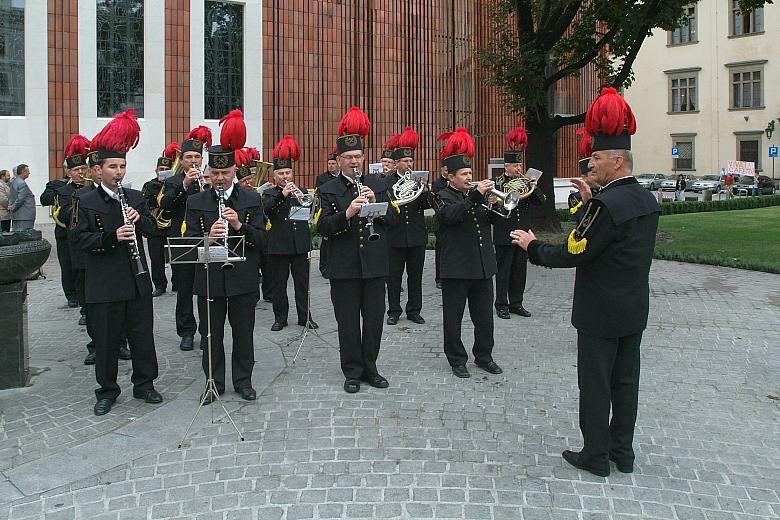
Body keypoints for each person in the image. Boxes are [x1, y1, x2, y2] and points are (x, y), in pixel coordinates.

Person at [511, 88, 660, 477]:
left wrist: (532, 247)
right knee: (626, 383)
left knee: (596, 386)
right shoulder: (645, 200)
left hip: (600, 312)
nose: (590, 161)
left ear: (617, 159)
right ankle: (621, 453)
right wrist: (593, 199)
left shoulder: (606, 206)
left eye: (595, 156)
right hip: (633, 308)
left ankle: (595, 456)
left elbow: (576, 251)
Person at [70, 109, 162, 416]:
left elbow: (154, 229)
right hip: (104, 281)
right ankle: (107, 390)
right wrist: (111, 237)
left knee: (141, 335)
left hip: (136, 279)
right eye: (113, 166)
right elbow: (78, 242)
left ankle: (145, 384)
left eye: (122, 166)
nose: (118, 172)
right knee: (107, 341)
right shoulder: (85, 201)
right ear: (99, 169)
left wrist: (140, 221)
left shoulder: (134, 198)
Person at [184, 110, 264, 403]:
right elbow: (188, 243)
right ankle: (213, 382)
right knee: (210, 336)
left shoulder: (251, 199)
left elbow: (262, 241)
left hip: (242, 279)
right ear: (208, 173)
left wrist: (239, 225)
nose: (220, 179)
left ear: (234, 172)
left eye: (225, 173)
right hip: (210, 280)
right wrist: (209, 238)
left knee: (244, 334)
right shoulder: (196, 201)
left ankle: (243, 381)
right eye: (215, 174)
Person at [317, 107, 392, 394]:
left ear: (364, 158)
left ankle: (371, 368)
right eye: (347, 158)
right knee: (347, 322)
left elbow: (393, 221)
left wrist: (377, 206)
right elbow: (323, 227)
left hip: (374, 264)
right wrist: (347, 213)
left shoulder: (378, 184)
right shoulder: (328, 188)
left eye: (357, 157)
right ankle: (352, 370)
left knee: (373, 320)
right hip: (344, 266)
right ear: (338, 160)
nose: (353, 162)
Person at [434, 128, 502, 380]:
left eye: (470, 173)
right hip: (457, 267)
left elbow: (491, 221)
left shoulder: (479, 197)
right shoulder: (441, 195)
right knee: (453, 318)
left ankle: (484, 356)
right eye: (464, 174)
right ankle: (457, 359)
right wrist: (475, 196)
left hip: (483, 266)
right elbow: (449, 217)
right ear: (450, 176)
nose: (469, 177)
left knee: (484, 318)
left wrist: (495, 205)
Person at [159, 125, 212, 351]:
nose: (193, 161)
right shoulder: (172, 182)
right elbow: (166, 206)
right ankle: (186, 332)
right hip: (182, 240)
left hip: (205, 239)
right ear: (181, 160)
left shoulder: (209, 179)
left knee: (206, 288)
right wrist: (184, 185)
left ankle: (207, 331)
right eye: (189, 157)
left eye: (197, 157)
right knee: (184, 289)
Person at [263, 136, 318, 331]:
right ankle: (280, 318)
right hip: (279, 245)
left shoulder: (300, 191)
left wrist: (303, 197)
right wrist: (283, 194)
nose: (285, 176)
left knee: (303, 284)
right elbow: (267, 210)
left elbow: (310, 210)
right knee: (279, 285)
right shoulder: (269, 194)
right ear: (274, 176)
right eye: (281, 173)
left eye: (288, 172)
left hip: (299, 244)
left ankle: (305, 317)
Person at [491, 124, 544, 320]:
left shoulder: (526, 183)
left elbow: (539, 202)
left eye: (520, 166)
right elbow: (495, 206)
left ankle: (516, 303)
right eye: (515, 166)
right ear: (506, 167)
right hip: (504, 232)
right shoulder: (497, 183)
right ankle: (501, 304)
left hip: (522, 232)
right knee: (503, 270)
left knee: (520, 270)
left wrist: (534, 186)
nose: (519, 169)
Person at [385, 126, 430, 325]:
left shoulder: (417, 183)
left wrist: (426, 191)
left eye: (411, 160)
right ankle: (393, 311)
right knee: (393, 278)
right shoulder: (386, 183)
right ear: (396, 163)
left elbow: (427, 205)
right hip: (394, 237)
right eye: (405, 161)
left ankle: (414, 310)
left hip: (416, 235)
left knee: (415, 277)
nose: (409, 164)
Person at [42, 135, 91, 308]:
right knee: (68, 264)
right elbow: (44, 199)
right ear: (68, 172)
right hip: (64, 232)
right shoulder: (58, 185)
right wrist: (61, 191)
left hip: (84, 232)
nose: (81, 173)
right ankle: (71, 295)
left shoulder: (89, 187)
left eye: (83, 169)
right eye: (76, 170)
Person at [142, 143, 179, 297]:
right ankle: (159, 285)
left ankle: (177, 283)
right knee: (156, 259)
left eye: (166, 170)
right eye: (160, 170)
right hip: (156, 228)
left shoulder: (175, 185)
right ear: (156, 171)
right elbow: (146, 204)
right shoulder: (149, 185)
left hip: (172, 227)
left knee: (177, 257)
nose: (163, 172)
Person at [315, 152, 339, 277]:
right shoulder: (322, 178)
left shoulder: (340, 178)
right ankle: (323, 266)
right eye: (329, 164)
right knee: (325, 239)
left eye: (333, 163)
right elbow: (318, 195)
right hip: (326, 209)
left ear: (338, 164)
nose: (330, 166)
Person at [430, 164, 448, 290]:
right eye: (446, 170)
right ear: (441, 169)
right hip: (440, 222)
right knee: (440, 251)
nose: (447, 173)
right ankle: (439, 278)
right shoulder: (437, 184)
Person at [9, 164, 36, 231]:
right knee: (24, 235)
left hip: (19, 215)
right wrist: (12, 207)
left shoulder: (15, 181)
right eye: (28, 171)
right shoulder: (21, 183)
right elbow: (20, 199)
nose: (29, 173)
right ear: (23, 172)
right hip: (24, 215)